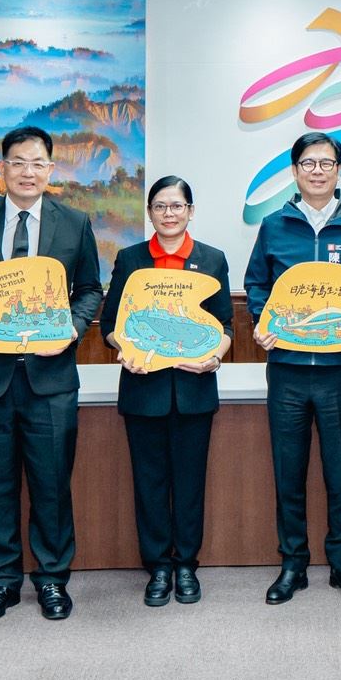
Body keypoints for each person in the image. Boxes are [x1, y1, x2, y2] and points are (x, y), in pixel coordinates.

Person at [0, 126, 104, 623]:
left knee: (52, 484)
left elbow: (90, 289)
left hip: (50, 378)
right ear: (2, 167)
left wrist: (72, 328)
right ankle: (1, 582)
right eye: (18, 162)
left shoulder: (74, 223)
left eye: (37, 163)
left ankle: (52, 579)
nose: (28, 172)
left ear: (50, 169)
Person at [244, 132, 341, 604]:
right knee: (289, 471)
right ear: (294, 171)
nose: (317, 171)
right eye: (308, 163)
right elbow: (256, 285)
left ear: (339, 170)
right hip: (286, 369)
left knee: (340, 471)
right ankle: (293, 564)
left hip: (339, 370)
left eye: (327, 163)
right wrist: (263, 322)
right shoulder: (274, 225)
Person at [101, 176, 232, 607]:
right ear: (150, 212)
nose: (169, 213)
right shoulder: (131, 259)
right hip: (144, 387)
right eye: (160, 206)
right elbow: (111, 327)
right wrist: (125, 349)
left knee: (190, 482)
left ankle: (187, 565)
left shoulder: (211, 259)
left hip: (194, 388)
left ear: (190, 211)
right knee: (150, 483)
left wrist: (213, 359)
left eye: (177, 206)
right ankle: (158, 566)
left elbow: (225, 326)